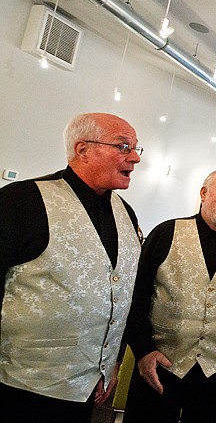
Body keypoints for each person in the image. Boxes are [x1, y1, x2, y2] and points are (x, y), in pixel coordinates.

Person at [0, 112, 143, 423]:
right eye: (123, 147)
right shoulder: (21, 201)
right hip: (22, 385)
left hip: (90, 388)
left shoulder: (126, 214)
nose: (135, 158)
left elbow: (121, 289)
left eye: (135, 148)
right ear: (83, 150)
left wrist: (112, 362)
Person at [123, 167, 216, 423]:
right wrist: (143, 350)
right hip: (161, 365)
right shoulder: (165, 233)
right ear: (203, 193)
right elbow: (136, 296)